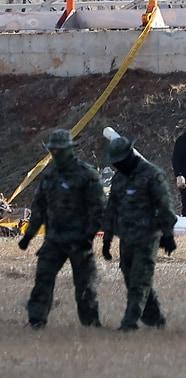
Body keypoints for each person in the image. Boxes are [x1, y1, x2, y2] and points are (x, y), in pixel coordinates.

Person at [20, 129, 104, 330]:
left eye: (59, 150)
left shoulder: (87, 175)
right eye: (53, 150)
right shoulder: (49, 176)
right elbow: (39, 208)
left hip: (79, 240)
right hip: (54, 241)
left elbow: (99, 210)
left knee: (85, 286)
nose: (56, 154)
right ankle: (36, 321)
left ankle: (90, 323)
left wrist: (89, 236)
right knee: (43, 280)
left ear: (69, 150)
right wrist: (29, 236)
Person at [103, 134, 178, 332]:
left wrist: (168, 235)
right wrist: (107, 238)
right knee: (130, 276)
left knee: (140, 279)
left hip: (148, 236)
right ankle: (155, 319)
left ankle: (130, 322)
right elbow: (112, 208)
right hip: (126, 236)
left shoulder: (152, 175)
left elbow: (165, 207)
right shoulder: (119, 178)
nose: (117, 166)